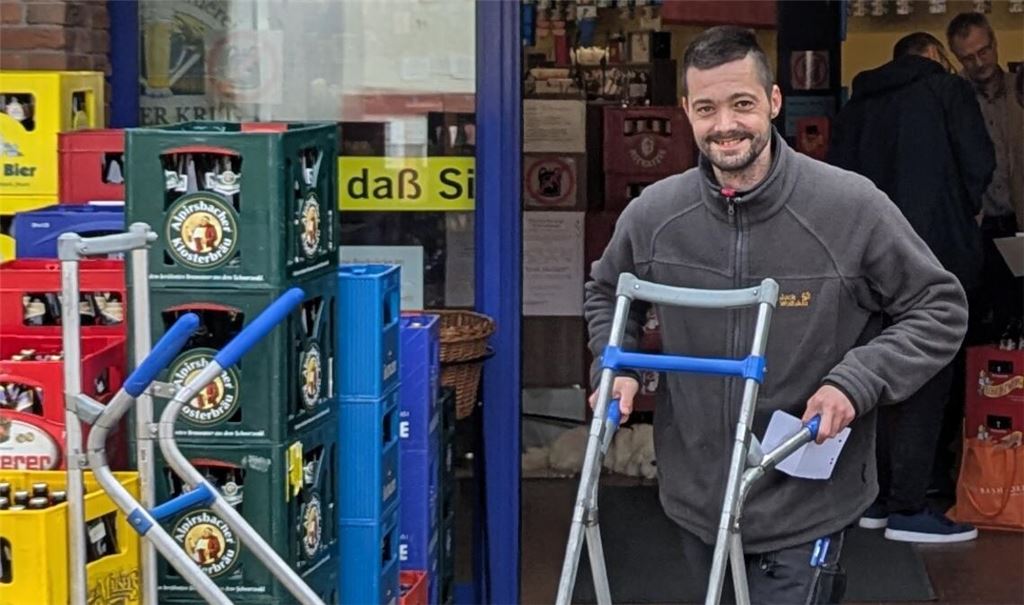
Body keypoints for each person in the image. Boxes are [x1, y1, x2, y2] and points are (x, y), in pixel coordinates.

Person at [584, 26, 968, 604]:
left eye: (742, 104)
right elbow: (608, 294)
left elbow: (938, 306)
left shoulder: (850, 206)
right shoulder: (654, 216)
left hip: (805, 495)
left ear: (774, 102)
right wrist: (615, 370)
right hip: (697, 498)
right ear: (686, 111)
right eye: (707, 108)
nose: (725, 125)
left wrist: (856, 382)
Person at [828, 32, 993, 543]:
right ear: (934, 57)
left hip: (866, 259)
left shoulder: (857, 105)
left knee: (873, 370)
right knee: (928, 371)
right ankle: (909, 506)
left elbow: (836, 178)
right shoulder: (948, 92)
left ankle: (871, 499)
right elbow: (979, 165)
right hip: (935, 253)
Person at [946, 12, 1024, 343]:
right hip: (977, 226)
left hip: (1020, 221)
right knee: (978, 320)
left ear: (995, 42)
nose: (979, 63)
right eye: (968, 57)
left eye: (984, 51)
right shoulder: (952, 100)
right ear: (956, 58)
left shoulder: (1020, 91)